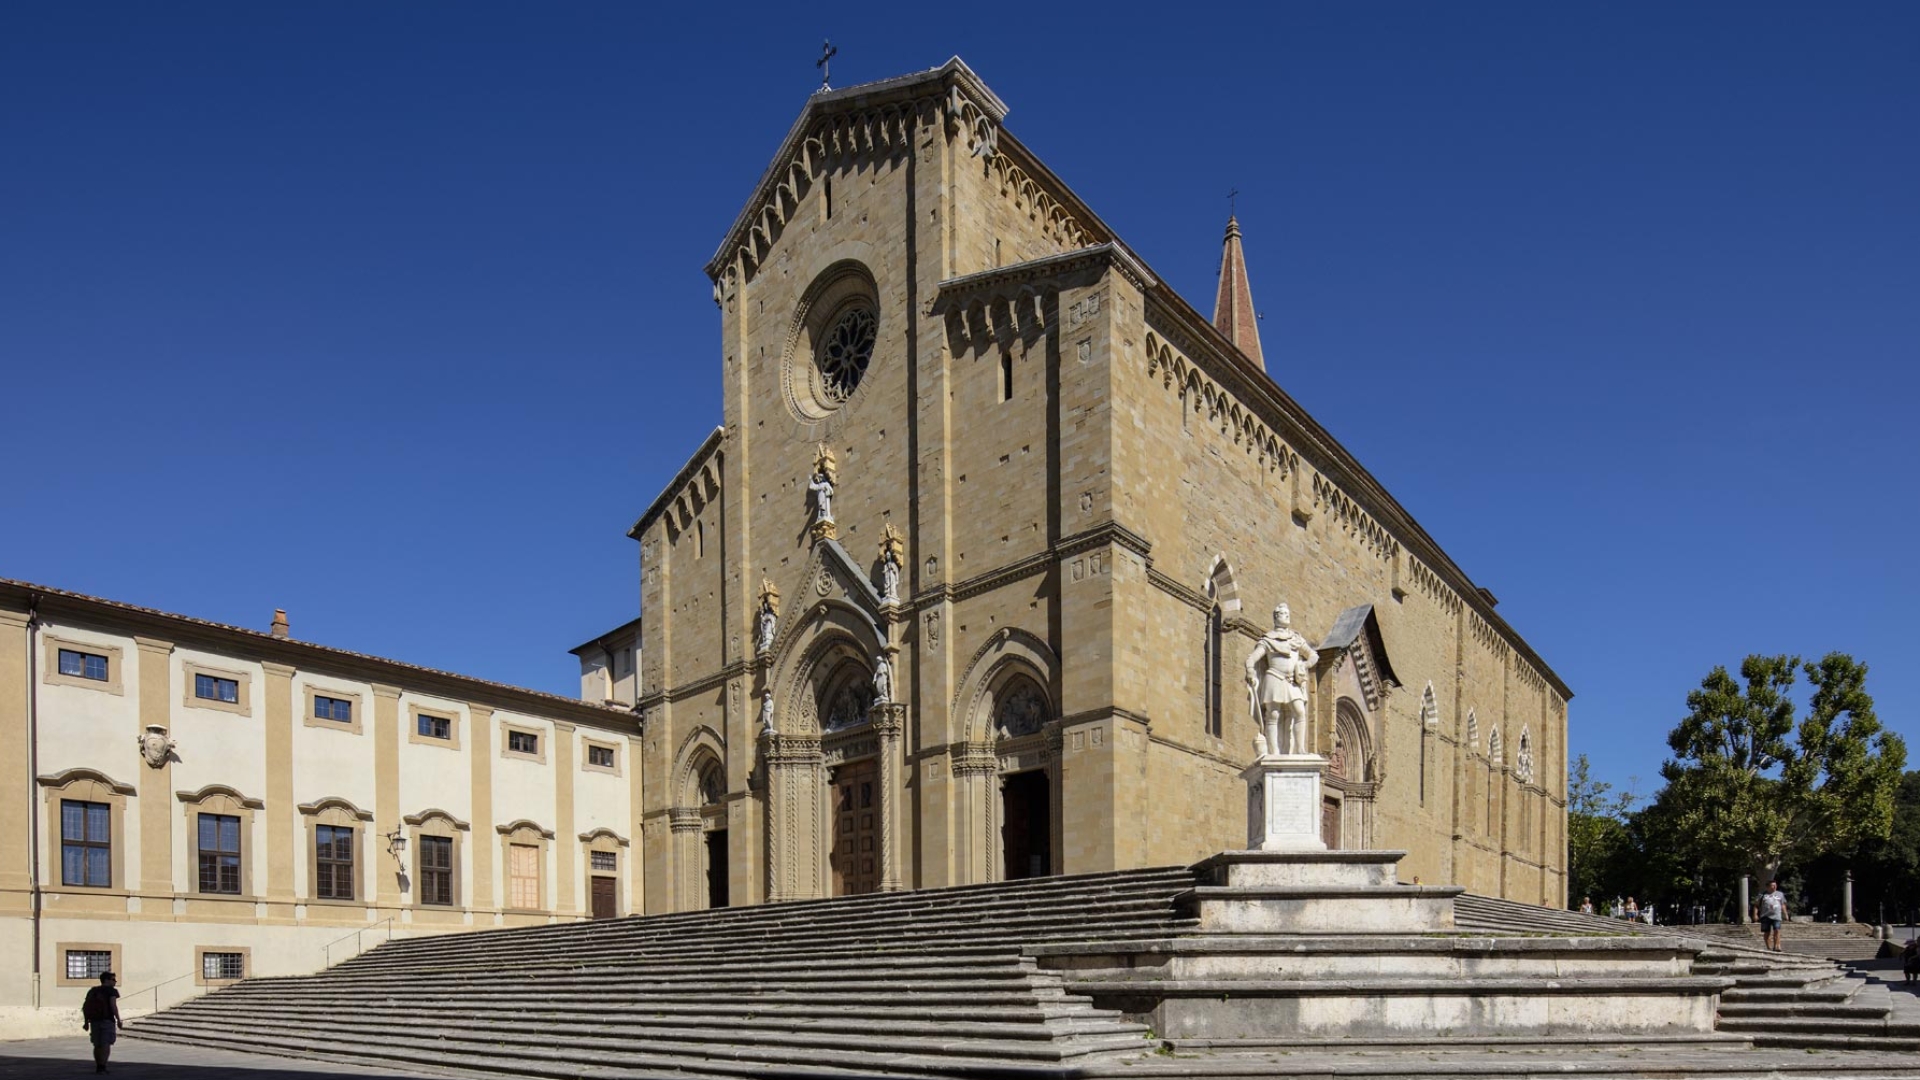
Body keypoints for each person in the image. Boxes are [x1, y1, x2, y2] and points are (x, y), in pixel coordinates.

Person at [80, 970, 122, 1073]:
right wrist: (118, 1019)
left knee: (97, 1045)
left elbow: (85, 1007)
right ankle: (102, 1067)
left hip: (94, 1021)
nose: (115, 982)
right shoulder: (112, 991)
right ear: (107, 980)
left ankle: (99, 1066)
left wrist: (86, 1022)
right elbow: (113, 1006)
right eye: (113, 979)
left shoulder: (93, 991)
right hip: (107, 1021)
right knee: (105, 1044)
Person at [1759, 879, 1788, 951]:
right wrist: (1755, 914)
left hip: (1777, 916)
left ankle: (1777, 946)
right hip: (1765, 916)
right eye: (1772, 885)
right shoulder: (1762, 895)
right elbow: (1756, 905)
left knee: (1777, 930)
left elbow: (1783, 904)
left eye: (1775, 885)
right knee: (1767, 933)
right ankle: (1769, 947)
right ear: (1768, 887)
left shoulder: (1780, 894)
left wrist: (1785, 914)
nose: (1774, 886)